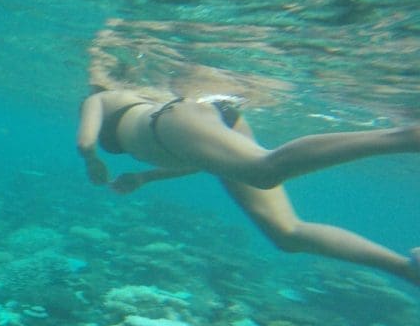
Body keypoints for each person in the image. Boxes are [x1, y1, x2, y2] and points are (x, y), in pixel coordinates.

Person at [76, 87, 420, 286]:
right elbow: (200, 160)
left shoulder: (102, 97)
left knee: (263, 169)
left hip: (170, 120)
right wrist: (144, 178)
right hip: (181, 128)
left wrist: (93, 161)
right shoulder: (132, 106)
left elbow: (85, 142)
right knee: (286, 233)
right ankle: (405, 268)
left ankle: (405, 137)